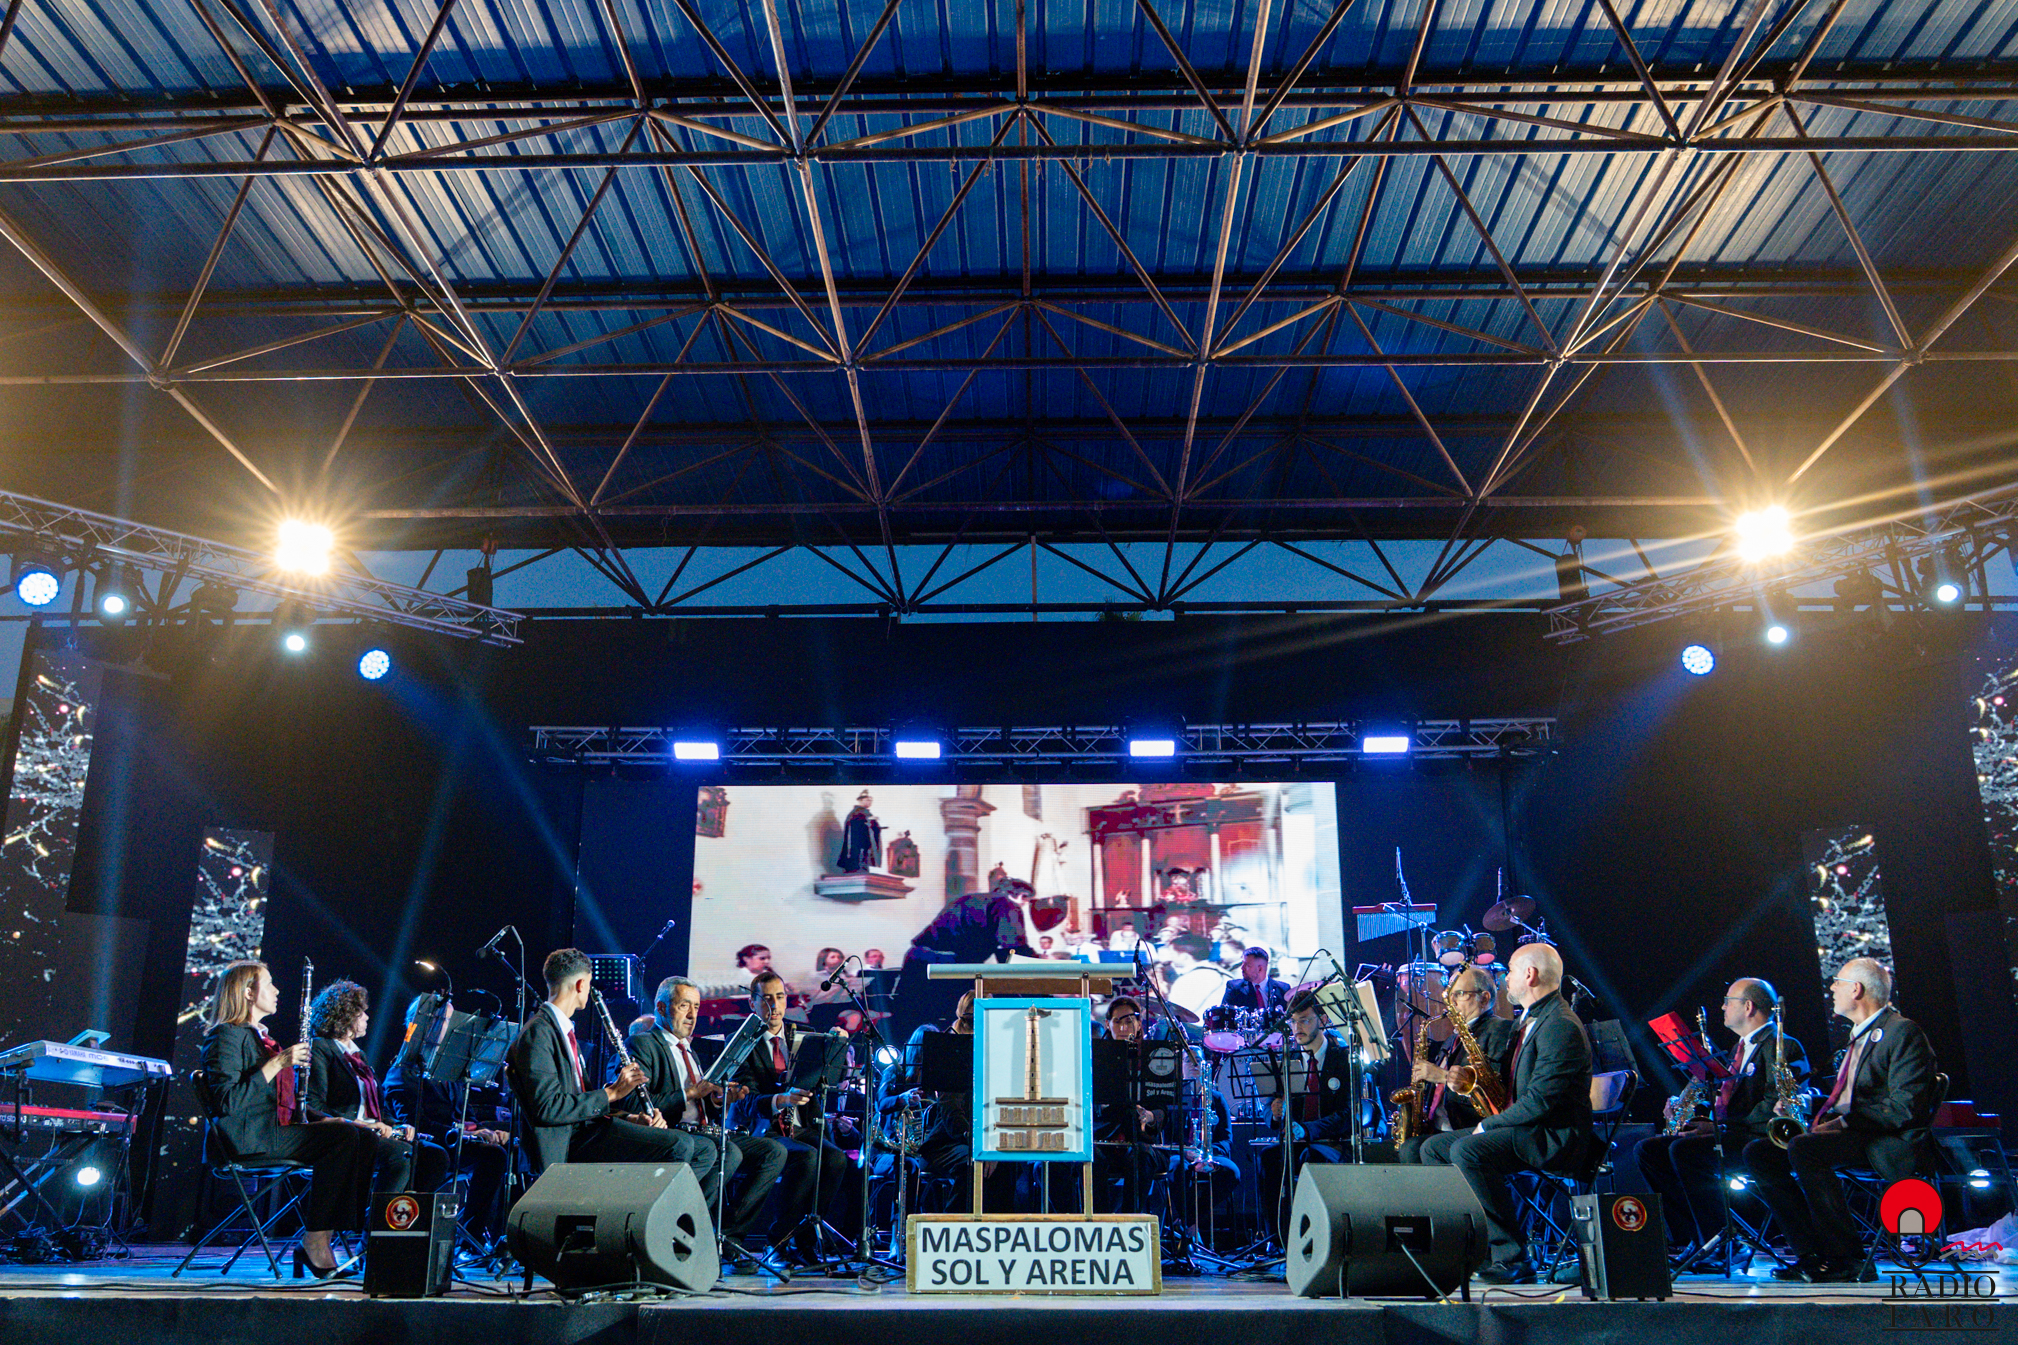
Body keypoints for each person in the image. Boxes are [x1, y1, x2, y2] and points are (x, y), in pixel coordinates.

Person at [1744, 958, 1936, 1283]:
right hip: (1855, 1135)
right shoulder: (1857, 1036)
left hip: (1886, 1141)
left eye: (1838, 982)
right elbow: (1848, 1098)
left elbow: (1904, 1107)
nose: (1832, 988)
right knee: (1759, 1153)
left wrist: (1842, 1123)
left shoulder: (1902, 1032)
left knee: (1805, 1149)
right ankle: (1812, 1254)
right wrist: (1805, 1104)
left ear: (1856, 990)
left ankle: (1848, 1258)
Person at [1424, 942, 1592, 1284]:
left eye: (1511, 971)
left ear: (1530, 975)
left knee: (1469, 1150)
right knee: (1432, 1148)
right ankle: (1471, 1248)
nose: (1505, 979)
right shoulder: (1530, 1020)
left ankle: (1512, 1256)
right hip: (1529, 1129)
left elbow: (1539, 1103)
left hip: (1553, 1136)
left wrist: (1488, 1124)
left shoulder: (1560, 1024)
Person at [198, 959, 376, 1278]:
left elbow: (282, 1101)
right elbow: (228, 1103)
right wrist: (278, 1063)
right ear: (248, 993)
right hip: (247, 1139)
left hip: (273, 1131)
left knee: (360, 1136)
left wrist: (320, 1120)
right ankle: (315, 1242)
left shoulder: (259, 1038)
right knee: (346, 1138)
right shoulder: (226, 1036)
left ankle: (328, 1236)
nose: (277, 990)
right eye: (269, 984)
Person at [504, 948, 721, 1184]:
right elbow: (548, 1108)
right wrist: (612, 1093)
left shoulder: (560, 1031)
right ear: (581, 985)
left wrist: (632, 1118)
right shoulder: (539, 1032)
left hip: (587, 1130)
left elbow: (580, 1100)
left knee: (703, 1149)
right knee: (679, 1144)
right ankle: (640, 1205)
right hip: (568, 1141)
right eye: (589, 983)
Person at [1636, 978, 1805, 1257]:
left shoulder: (1783, 1045)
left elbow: (1777, 1104)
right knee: (1649, 1150)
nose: (1723, 1007)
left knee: (1684, 1151)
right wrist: (1695, 1113)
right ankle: (1695, 1237)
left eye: (1728, 1001)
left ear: (1748, 1006)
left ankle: (1721, 1243)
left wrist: (1720, 1126)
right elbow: (1726, 1101)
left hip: (1759, 1139)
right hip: (1732, 1134)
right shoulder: (1735, 1051)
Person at [626, 976, 788, 1267]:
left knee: (773, 1152)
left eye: (697, 1007)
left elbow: (700, 1104)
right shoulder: (643, 1043)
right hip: (675, 1132)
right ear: (661, 1008)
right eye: (684, 1006)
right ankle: (681, 1234)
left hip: (704, 1130)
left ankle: (728, 1237)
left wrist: (720, 1100)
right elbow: (637, 1103)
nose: (692, 1015)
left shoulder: (689, 1050)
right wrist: (691, 1092)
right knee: (728, 1152)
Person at [733, 971, 860, 1265]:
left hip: (802, 1125)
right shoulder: (741, 1042)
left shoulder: (804, 1034)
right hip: (765, 1129)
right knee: (806, 1157)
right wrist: (781, 1099)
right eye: (766, 999)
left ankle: (803, 1240)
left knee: (835, 1159)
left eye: (779, 997)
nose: (774, 1005)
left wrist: (837, 1047)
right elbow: (746, 1102)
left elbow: (831, 1079)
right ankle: (778, 1241)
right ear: (752, 1003)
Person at [302, 980, 450, 1204]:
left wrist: (397, 1125)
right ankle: (378, 1223)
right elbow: (314, 1105)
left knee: (435, 1156)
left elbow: (377, 1108)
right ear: (345, 1015)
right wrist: (362, 1125)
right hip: (347, 1134)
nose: (367, 1017)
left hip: (373, 1133)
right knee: (400, 1156)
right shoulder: (321, 1048)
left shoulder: (358, 1056)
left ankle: (407, 1218)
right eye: (362, 1012)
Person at [382, 994, 512, 1243]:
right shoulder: (403, 1070)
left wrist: (482, 1131)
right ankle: (413, 1233)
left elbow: (465, 1112)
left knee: (499, 1152)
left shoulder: (451, 1067)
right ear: (421, 1022)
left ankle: (474, 1235)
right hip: (432, 1142)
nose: (448, 1026)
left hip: (456, 1143)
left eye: (450, 1020)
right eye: (442, 1019)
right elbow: (414, 1122)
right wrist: (462, 1133)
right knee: (439, 1157)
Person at [1255, 989, 1356, 1243]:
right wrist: (1274, 1113)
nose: (1297, 1028)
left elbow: (1349, 1115)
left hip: (1333, 1142)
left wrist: (1309, 1129)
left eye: (1304, 1020)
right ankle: (1277, 1239)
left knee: (1309, 1156)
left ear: (1322, 1020)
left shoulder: (1342, 1058)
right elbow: (1269, 1106)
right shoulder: (1285, 1059)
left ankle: (1317, 1238)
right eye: (1293, 1022)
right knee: (1269, 1158)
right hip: (1297, 1140)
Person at [1399, 966, 1517, 1164]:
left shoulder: (1500, 1030)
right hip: (1441, 1126)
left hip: (1470, 1127)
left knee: (1414, 1149)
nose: (1452, 1002)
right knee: (1399, 1149)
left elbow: (1494, 1092)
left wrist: (1443, 1076)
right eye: (1450, 995)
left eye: (1460, 994)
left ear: (1484, 998)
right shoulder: (1453, 1038)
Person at [1096, 997, 1165, 1214]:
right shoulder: (1095, 1057)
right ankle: (1099, 1222)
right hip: (1104, 1138)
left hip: (1140, 1141)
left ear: (1139, 1024)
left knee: (1142, 1155)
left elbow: (1162, 1108)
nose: (1124, 1028)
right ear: (1108, 1024)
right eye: (1118, 1021)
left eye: (1129, 1021)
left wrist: (1149, 1116)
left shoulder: (1153, 1058)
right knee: (1091, 1156)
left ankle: (1131, 1221)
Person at [1164, 932, 1230, 1022]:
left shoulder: (1191, 978)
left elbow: (1176, 1013)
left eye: (1172, 954)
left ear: (1184, 956)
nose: (1170, 958)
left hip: (1196, 1029)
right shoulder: (1224, 973)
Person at [1219, 945, 1291, 1014]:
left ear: (1260, 969)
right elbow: (1224, 1015)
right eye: (1242, 963)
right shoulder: (1234, 988)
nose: (1242, 968)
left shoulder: (1283, 989)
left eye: (1248, 965)